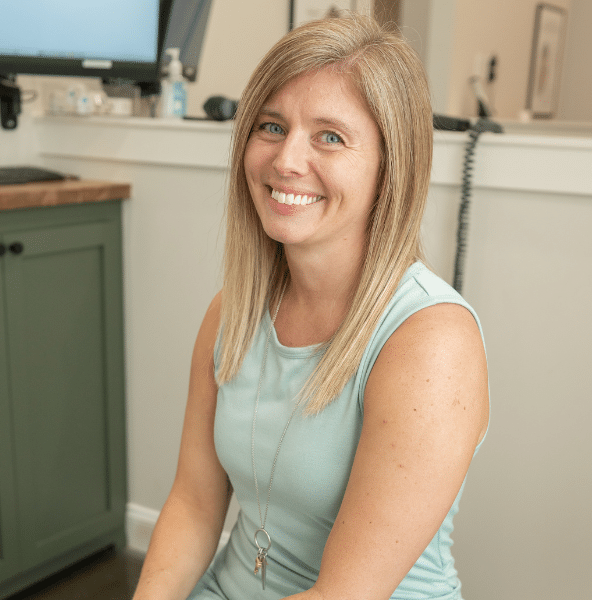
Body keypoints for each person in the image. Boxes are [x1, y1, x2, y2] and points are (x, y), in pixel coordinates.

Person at [133, 13, 489, 600]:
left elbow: (344, 594)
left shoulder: (431, 342)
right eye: (271, 127)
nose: (286, 161)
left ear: (389, 168)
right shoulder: (232, 312)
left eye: (330, 136)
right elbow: (195, 506)